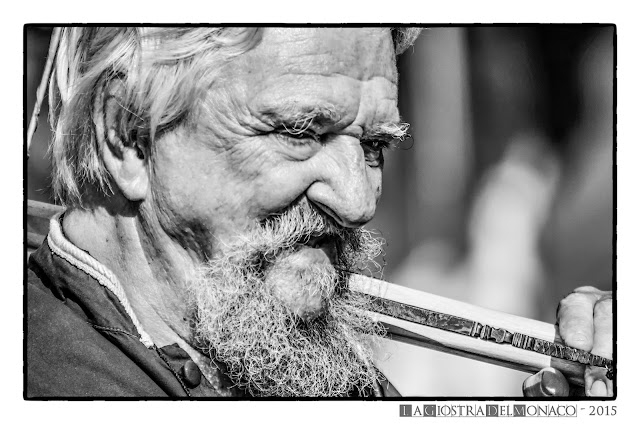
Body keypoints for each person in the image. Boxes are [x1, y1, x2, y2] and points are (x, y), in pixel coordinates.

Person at [26, 27, 613, 398]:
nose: (358, 202)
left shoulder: (283, 349)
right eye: (299, 132)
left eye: (374, 145)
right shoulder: (47, 383)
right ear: (128, 135)